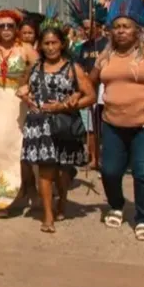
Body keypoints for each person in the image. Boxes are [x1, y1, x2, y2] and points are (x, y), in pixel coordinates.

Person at [17, 19, 93, 233]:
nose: (50, 47)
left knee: (62, 172)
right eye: (46, 43)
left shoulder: (73, 68)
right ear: (40, 45)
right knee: (45, 171)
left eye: (54, 43)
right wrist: (24, 94)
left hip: (64, 124)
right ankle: (48, 215)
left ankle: (63, 199)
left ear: (62, 44)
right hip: (39, 124)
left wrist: (66, 104)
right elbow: (24, 86)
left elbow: (91, 96)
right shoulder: (35, 66)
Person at [91, 0, 144, 240]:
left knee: (143, 172)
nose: (121, 30)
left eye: (127, 26)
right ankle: (116, 205)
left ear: (138, 30)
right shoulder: (105, 57)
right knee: (110, 170)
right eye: (117, 26)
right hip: (112, 123)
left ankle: (143, 217)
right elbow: (90, 82)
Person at [0, 9, 38, 217]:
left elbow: (41, 69)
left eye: (10, 26)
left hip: (19, 103)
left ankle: (27, 189)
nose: (6, 29)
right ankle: (0, 200)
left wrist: (28, 86)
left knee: (18, 148)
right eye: (1, 26)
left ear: (16, 28)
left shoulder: (25, 48)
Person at [69, 0, 107, 169]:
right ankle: (93, 157)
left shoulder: (107, 44)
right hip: (89, 90)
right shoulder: (82, 48)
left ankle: (103, 156)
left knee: (103, 126)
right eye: (83, 29)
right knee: (90, 127)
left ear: (98, 27)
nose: (86, 32)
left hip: (105, 90)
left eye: (89, 28)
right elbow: (77, 67)